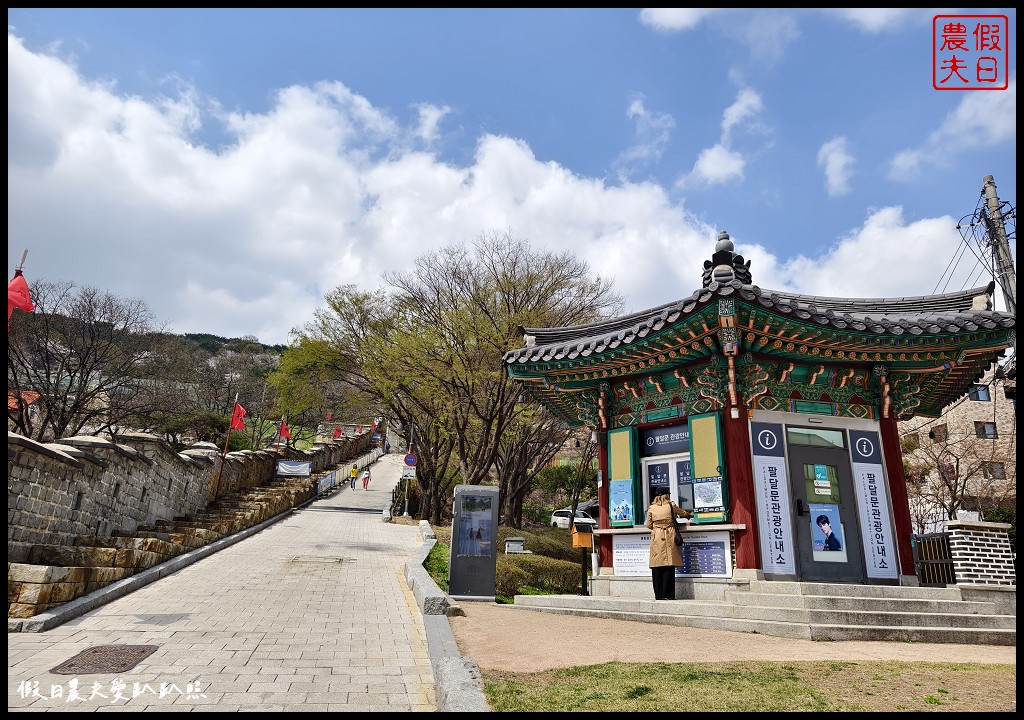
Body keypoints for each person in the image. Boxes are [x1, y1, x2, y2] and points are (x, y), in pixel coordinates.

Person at [645, 487, 692, 600]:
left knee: (657, 566)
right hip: (670, 535)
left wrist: (657, 526)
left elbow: (648, 525)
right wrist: (689, 515)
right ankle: (669, 595)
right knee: (669, 566)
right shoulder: (671, 506)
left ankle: (659, 595)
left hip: (657, 536)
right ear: (666, 495)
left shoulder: (651, 508)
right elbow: (683, 513)